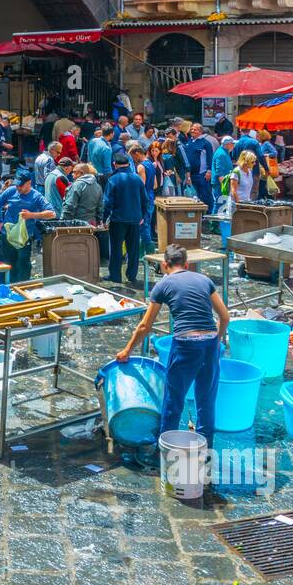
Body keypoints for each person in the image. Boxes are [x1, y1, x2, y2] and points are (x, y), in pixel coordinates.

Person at [115, 245, 231, 450]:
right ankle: (205, 452)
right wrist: (216, 340)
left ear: (164, 265)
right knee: (206, 400)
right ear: (187, 264)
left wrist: (127, 351)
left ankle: (164, 450)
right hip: (210, 341)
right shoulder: (204, 280)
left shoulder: (163, 284)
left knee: (174, 399)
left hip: (186, 344)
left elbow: (145, 325)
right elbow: (225, 316)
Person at [0, 169, 55, 284]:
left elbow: (52, 213)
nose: (18, 188)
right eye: (17, 185)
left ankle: (22, 289)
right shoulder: (11, 191)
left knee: (23, 266)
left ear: (29, 183)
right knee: (8, 264)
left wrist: (31, 215)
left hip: (24, 238)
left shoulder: (36, 196)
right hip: (7, 236)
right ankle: (7, 289)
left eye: (21, 185)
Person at [104, 153, 145, 286]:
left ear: (114, 164)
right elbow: (145, 200)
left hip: (118, 220)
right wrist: (142, 216)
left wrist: (104, 218)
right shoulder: (137, 178)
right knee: (133, 250)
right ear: (128, 164)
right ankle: (131, 275)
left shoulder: (113, 179)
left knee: (116, 248)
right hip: (135, 220)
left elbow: (107, 202)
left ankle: (115, 276)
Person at [183, 123, 215, 212]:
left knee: (205, 195)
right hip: (190, 175)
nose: (192, 131)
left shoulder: (205, 143)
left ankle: (208, 215)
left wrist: (209, 171)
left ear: (200, 132)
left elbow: (210, 157)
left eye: (195, 129)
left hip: (202, 175)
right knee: (193, 197)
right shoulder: (188, 142)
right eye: (192, 129)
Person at [213, 136, 236, 206]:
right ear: (228, 144)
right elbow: (219, 172)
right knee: (219, 204)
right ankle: (214, 217)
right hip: (221, 184)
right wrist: (224, 186)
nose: (234, 146)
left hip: (222, 183)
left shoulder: (224, 152)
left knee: (221, 204)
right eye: (232, 144)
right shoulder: (221, 153)